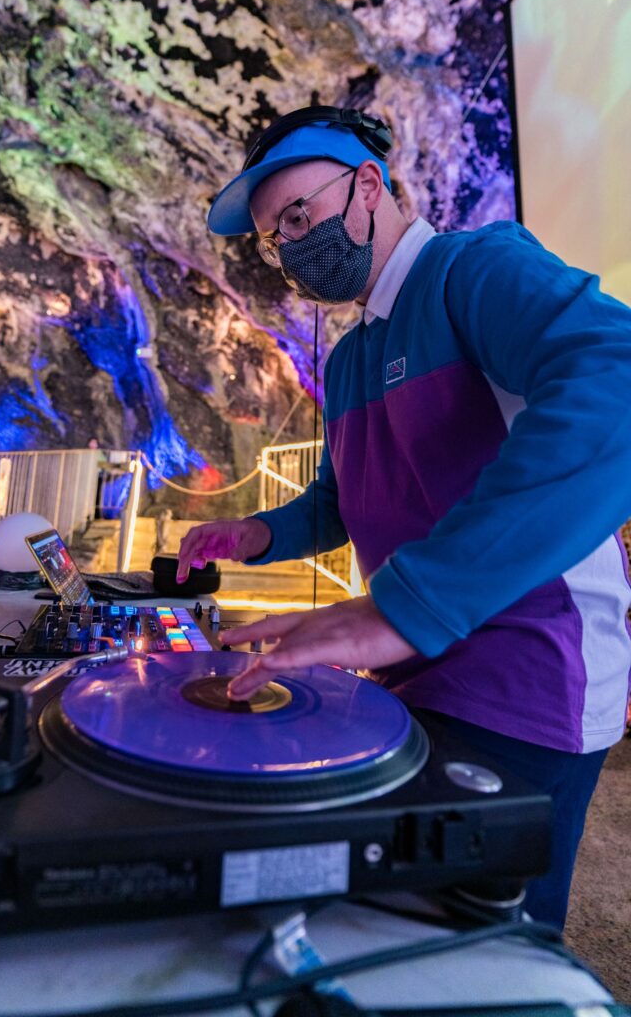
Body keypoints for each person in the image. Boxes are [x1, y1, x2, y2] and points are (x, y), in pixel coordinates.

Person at [176, 106, 631, 930]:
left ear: (368, 184)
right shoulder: (351, 356)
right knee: (390, 928)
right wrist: (258, 535)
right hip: (414, 671)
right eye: (276, 239)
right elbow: (341, 498)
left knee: (478, 950)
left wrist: (400, 609)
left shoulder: (475, 269)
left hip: (530, 673)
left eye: (299, 215)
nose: (290, 249)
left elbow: (617, 382)